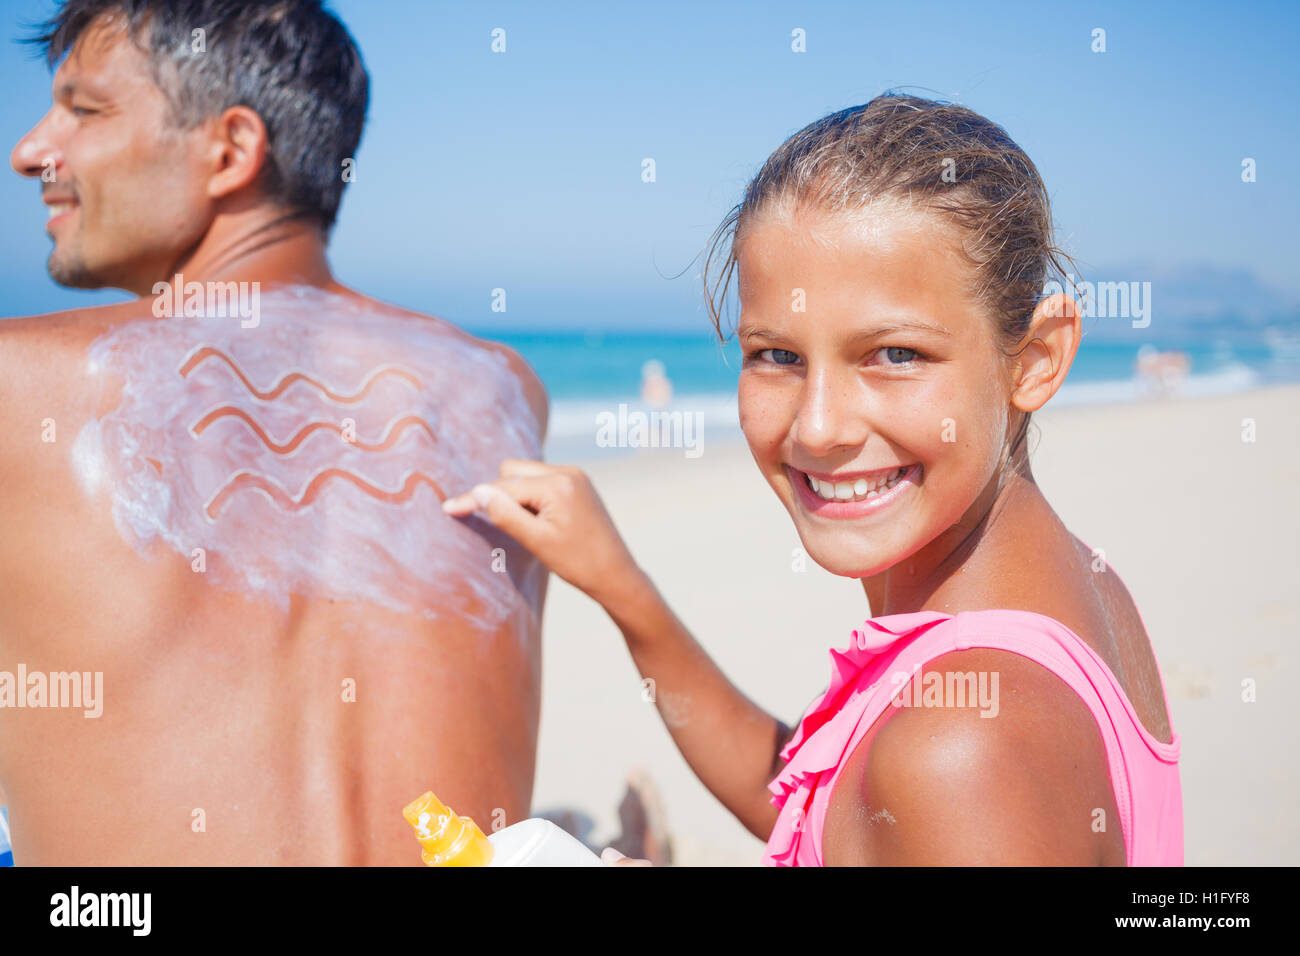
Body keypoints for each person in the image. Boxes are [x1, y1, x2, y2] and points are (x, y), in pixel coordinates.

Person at [444, 94, 1183, 865]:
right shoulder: (1074, 591)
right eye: (777, 356)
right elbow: (821, 806)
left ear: (1034, 360)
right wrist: (622, 587)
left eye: (896, 355)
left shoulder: (958, 749)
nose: (819, 426)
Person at [0, 0, 550, 864]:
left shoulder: (13, 385)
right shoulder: (501, 391)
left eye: (84, 109)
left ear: (229, 152)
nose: (31, 150)